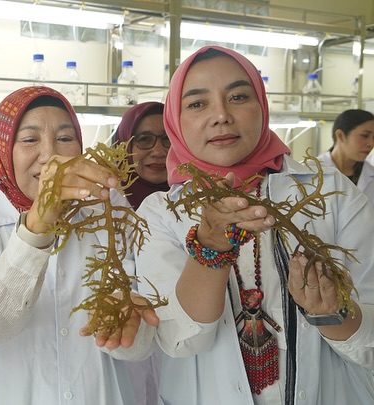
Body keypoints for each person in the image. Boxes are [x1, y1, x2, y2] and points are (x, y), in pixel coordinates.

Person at [135, 45, 374, 404]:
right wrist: (209, 247)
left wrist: (333, 314)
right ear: (175, 121)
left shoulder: (332, 192)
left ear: (262, 105)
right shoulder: (160, 213)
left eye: (238, 96)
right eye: (197, 103)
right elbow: (179, 340)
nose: (221, 116)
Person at [0, 86, 160, 405]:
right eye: (30, 140)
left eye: (65, 138)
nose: (50, 155)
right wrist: (40, 221)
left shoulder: (110, 216)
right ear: (4, 150)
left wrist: (128, 326)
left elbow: (139, 348)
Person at [111, 102, 170, 209]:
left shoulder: (200, 199)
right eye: (144, 139)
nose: (159, 152)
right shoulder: (102, 204)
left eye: (167, 139)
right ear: (124, 147)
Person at [317, 109, 374, 202]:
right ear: (340, 135)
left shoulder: (370, 174)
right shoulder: (311, 171)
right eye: (365, 135)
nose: (371, 144)